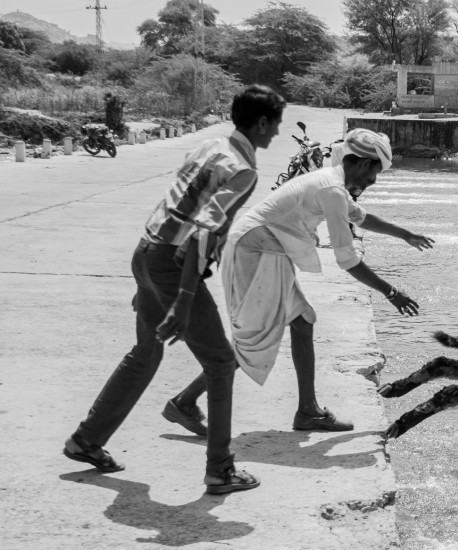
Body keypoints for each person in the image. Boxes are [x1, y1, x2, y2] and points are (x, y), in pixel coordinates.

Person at [63, 85, 287, 495]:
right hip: (170, 264)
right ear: (260, 123)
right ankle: (220, 469)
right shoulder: (243, 169)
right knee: (221, 363)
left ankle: (86, 440)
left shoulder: (211, 146)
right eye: (274, 126)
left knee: (145, 353)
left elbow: (177, 206)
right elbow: (203, 232)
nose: (275, 135)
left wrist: (148, 278)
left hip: (147, 251)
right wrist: (181, 300)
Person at [164, 128, 435, 434]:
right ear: (362, 164)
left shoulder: (332, 182)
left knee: (303, 321)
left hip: (265, 249)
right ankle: (184, 401)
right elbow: (347, 259)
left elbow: (360, 217)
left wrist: (405, 235)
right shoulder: (331, 190)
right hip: (258, 251)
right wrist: (391, 292)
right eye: (374, 175)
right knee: (254, 340)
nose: (372, 183)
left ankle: (308, 410)